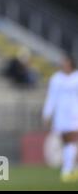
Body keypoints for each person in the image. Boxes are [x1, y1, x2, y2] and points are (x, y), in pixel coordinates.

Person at [42, 54, 78, 182]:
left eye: (66, 63)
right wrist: (47, 114)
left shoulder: (76, 78)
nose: (64, 66)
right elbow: (51, 98)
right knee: (67, 142)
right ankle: (71, 168)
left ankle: (67, 170)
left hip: (75, 114)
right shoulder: (56, 79)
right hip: (61, 115)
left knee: (72, 140)